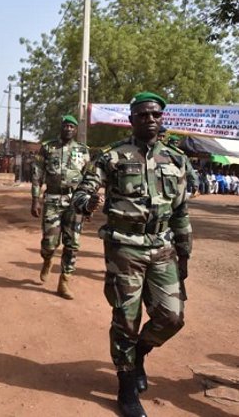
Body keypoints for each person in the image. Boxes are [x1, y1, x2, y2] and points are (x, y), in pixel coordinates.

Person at [72, 92, 191, 417]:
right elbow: (82, 191)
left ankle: (139, 354)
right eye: (142, 115)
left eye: (155, 115)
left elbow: (180, 212)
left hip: (162, 247)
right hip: (124, 247)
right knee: (126, 318)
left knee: (171, 317)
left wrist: (184, 254)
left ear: (161, 118)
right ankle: (125, 386)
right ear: (131, 120)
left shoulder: (176, 160)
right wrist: (87, 203)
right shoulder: (112, 156)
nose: (149, 120)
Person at [31, 114, 89, 299]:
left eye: (72, 126)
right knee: (49, 243)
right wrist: (35, 199)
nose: (69, 129)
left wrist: (87, 204)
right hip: (53, 200)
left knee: (72, 244)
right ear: (61, 127)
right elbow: (37, 174)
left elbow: (89, 179)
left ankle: (64, 281)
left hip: (75, 201)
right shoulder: (48, 147)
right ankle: (47, 260)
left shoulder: (83, 150)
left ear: (76, 129)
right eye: (66, 126)